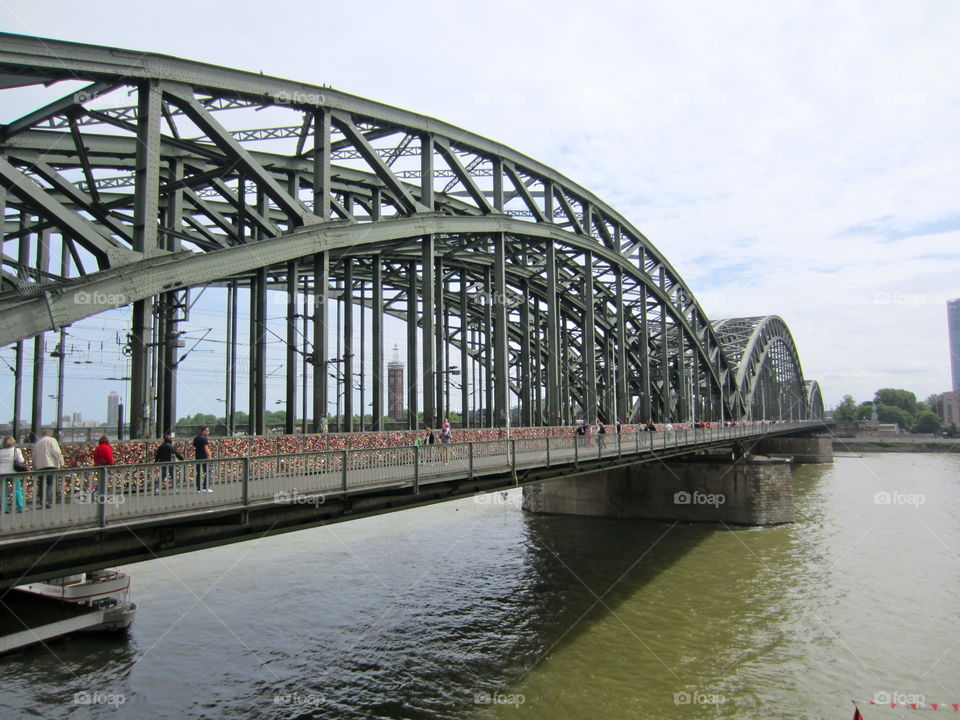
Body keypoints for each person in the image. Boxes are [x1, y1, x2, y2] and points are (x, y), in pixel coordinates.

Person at [33, 429, 64, 508]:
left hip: (40, 466)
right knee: (50, 483)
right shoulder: (52, 440)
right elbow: (55, 451)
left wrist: (34, 465)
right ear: (50, 434)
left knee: (42, 484)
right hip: (50, 464)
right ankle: (47, 500)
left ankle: (42, 501)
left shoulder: (38, 443)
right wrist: (61, 461)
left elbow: (34, 455)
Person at [0, 436, 26, 512]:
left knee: (3, 492)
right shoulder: (16, 450)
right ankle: (20, 507)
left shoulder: (1, 451)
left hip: (2, 473)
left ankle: (5, 508)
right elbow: (21, 460)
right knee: (17, 490)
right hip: (13, 472)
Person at [193, 427, 212, 493]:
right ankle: (205, 487)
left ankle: (198, 489)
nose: (208, 432)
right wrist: (209, 456)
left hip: (198, 456)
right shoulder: (204, 438)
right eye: (207, 431)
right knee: (208, 472)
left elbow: (194, 446)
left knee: (199, 473)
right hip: (204, 457)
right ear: (203, 431)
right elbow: (206, 448)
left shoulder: (196, 438)